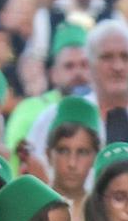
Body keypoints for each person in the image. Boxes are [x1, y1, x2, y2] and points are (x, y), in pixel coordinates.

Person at [8, 24, 91, 155]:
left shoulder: (103, 105)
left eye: (84, 65)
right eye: (69, 66)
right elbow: (14, 156)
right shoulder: (30, 109)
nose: (78, 72)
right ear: (53, 74)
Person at [39, 96, 103, 221]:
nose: (72, 163)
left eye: (82, 152)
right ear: (49, 154)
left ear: (95, 157)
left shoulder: (102, 212)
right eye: (63, 151)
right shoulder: (32, 209)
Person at [87, 20, 128, 146]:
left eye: (126, 57)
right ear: (90, 65)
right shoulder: (63, 117)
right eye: (107, 57)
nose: (118, 67)